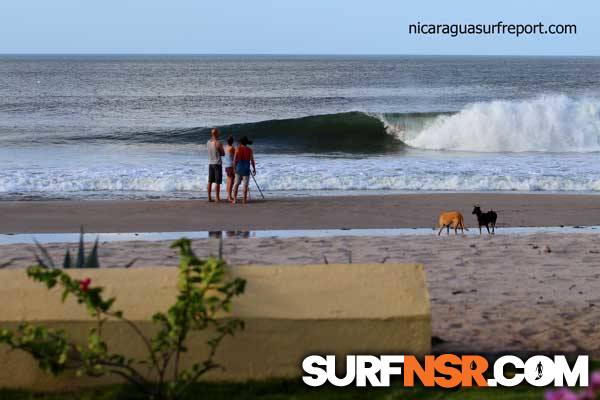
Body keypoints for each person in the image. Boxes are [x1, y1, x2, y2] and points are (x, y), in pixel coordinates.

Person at [232, 136, 256, 204]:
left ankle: (234, 200)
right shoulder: (249, 150)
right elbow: (252, 160)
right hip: (246, 169)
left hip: (238, 168)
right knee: (245, 185)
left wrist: (234, 169)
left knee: (236, 184)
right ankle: (244, 200)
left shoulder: (237, 149)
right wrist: (254, 169)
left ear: (241, 142)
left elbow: (234, 161)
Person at [206, 128, 225, 202]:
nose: (219, 134)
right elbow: (223, 153)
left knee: (210, 181)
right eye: (218, 132)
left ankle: (209, 197)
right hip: (217, 163)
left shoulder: (208, 142)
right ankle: (217, 197)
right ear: (216, 134)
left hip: (210, 163)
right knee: (217, 182)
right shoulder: (218, 142)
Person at [223, 135, 236, 201]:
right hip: (231, 166)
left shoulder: (225, 147)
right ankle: (229, 196)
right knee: (231, 181)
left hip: (227, 166)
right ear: (232, 141)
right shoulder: (232, 148)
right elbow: (235, 157)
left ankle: (228, 195)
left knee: (228, 180)